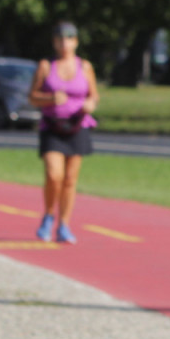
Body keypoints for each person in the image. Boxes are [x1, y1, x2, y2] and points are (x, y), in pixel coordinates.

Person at [28, 21, 98, 245]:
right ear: (54, 42)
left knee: (69, 179)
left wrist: (90, 104)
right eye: (59, 39)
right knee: (53, 174)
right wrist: (49, 99)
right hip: (52, 127)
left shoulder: (85, 67)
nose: (64, 44)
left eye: (68, 39)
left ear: (76, 42)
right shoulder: (46, 66)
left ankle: (64, 224)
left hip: (77, 127)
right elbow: (32, 97)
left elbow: (94, 96)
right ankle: (49, 215)